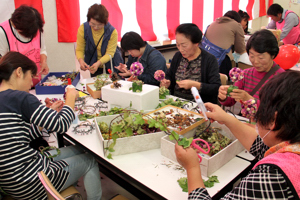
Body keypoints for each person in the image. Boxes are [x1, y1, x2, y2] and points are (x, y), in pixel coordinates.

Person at [175, 70, 300, 199]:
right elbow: (263, 148)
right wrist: (227, 119)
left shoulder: (273, 178)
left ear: (273, 120)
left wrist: (192, 168)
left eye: (261, 108)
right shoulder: (291, 148)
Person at [0, 52, 102, 200]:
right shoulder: (20, 97)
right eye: (31, 78)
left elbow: (19, 136)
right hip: (30, 181)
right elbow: (62, 125)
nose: (31, 84)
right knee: (90, 161)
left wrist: (46, 117)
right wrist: (71, 97)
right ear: (19, 72)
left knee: (79, 150)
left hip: (12, 182)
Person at [219, 29, 285, 111]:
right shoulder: (245, 74)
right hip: (247, 122)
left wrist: (249, 99)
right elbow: (230, 101)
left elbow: (278, 111)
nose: (255, 61)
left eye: (261, 57)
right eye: (252, 56)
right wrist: (224, 96)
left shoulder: (283, 79)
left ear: (273, 54)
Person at [160, 23, 221, 104]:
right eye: (178, 45)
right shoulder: (178, 56)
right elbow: (170, 75)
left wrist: (196, 85)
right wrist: (167, 82)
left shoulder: (209, 60)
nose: (180, 49)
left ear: (196, 43)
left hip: (199, 106)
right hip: (176, 102)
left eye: (184, 45)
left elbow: (216, 87)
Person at [0, 5, 49, 87]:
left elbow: (42, 50)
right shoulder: (3, 32)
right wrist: (26, 75)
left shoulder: (35, 26)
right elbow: (3, 64)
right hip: (15, 88)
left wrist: (43, 62)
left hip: (35, 85)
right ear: (16, 27)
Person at [76, 3, 123, 77]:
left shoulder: (112, 31)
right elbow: (80, 49)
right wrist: (81, 61)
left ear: (105, 22)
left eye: (100, 24)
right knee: (96, 85)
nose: (96, 27)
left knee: (113, 85)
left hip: (112, 64)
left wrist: (99, 63)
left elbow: (110, 53)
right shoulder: (83, 29)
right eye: (93, 24)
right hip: (95, 65)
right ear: (88, 20)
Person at [202, 10, 246, 78]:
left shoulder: (213, 23)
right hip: (221, 62)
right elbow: (240, 49)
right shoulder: (236, 25)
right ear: (238, 20)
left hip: (205, 59)